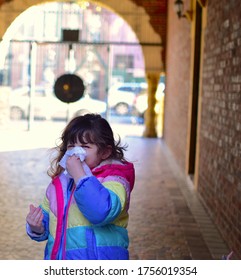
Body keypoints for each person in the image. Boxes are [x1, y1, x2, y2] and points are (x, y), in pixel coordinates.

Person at [26, 113, 135, 260]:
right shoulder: (58, 184)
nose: (75, 153)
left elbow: (101, 212)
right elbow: (48, 220)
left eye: (85, 146)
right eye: (71, 146)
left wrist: (80, 176)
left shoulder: (115, 180)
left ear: (105, 152)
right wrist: (37, 227)